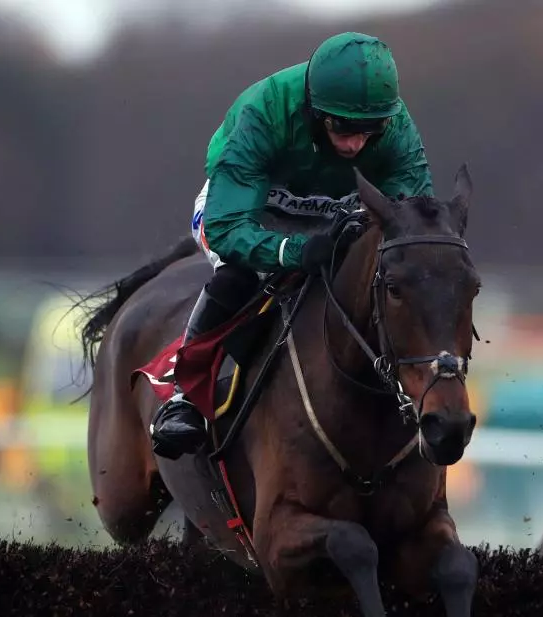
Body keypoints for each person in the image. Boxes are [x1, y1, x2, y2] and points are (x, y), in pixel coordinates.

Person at [149, 31, 434, 459]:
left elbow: (413, 219)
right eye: (343, 127)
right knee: (238, 276)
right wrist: (293, 251)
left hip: (333, 213)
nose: (356, 143)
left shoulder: (394, 125)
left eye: (369, 131)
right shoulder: (262, 112)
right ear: (316, 112)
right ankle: (183, 396)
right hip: (244, 209)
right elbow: (227, 228)